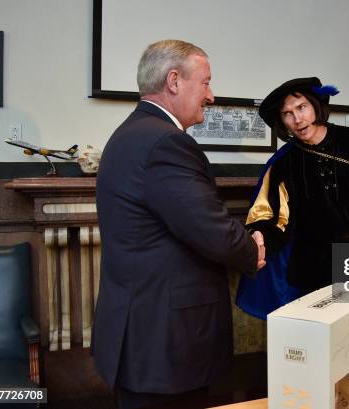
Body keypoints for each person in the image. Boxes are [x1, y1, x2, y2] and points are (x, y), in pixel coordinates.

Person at [92, 39, 265, 409]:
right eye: (205, 82)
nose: (212, 96)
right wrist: (252, 249)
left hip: (141, 331)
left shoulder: (130, 134)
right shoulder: (165, 143)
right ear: (174, 81)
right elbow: (210, 229)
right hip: (164, 341)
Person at [236, 77, 349, 319]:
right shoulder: (282, 164)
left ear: (315, 105)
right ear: (282, 122)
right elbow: (271, 215)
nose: (297, 119)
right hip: (312, 269)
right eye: (288, 113)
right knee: (318, 344)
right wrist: (259, 233)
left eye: (301, 107)